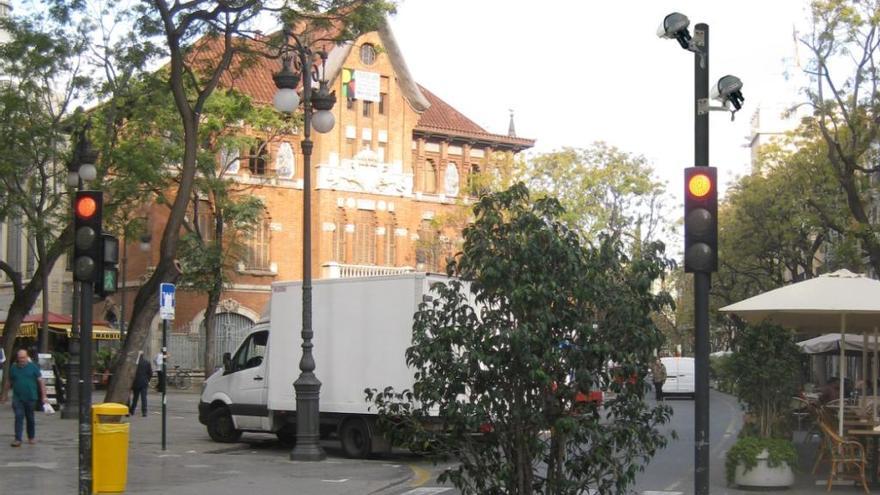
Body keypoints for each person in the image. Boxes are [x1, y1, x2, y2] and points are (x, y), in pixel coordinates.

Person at [1, 349, 47, 447]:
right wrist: (4, 395)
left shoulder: (33, 367)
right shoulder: (13, 368)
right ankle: (18, 439)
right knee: (18, 416)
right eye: (20, 358)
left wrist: (44, 396)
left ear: (27, 357)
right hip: (17, 398)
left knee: (30, 418)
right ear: (17, 358)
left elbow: (41, 382)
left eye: (23, 357)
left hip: (31, 397)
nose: (22, 360)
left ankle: (31, 437)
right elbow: (9, 382)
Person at [130, 352, 152, 417]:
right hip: (144, 382)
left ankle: (132, 410)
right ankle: (144, 412)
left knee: (135, 398)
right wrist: (148, 380)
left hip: (136, 382)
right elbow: (150, 373)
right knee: (144, 397)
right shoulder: (147, 362)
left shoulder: (134, 363)